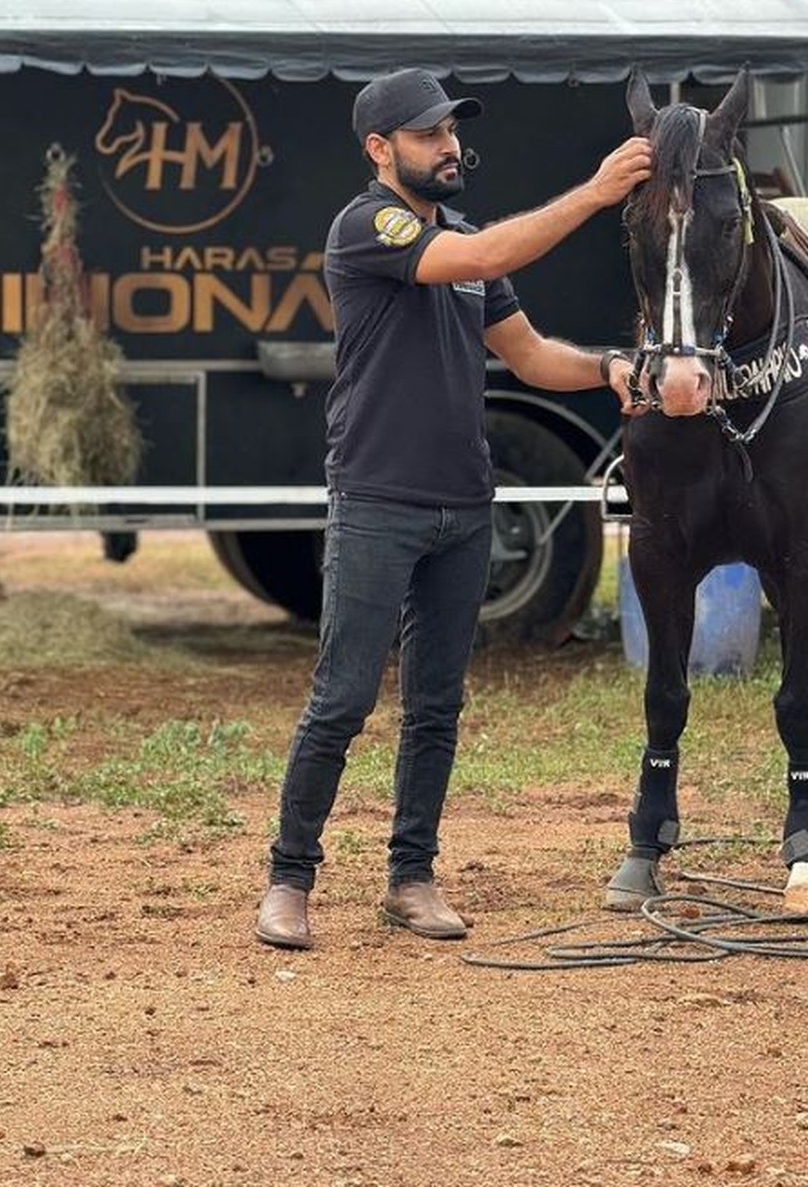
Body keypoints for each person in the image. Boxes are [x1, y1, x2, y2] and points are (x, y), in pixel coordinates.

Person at [256, 67, 650, 949]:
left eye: (451, 131)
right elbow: (477, 259)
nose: (448, 146)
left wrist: (611, 366)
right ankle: (289, 879)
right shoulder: (371, 225)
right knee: (343, 698)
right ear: (380, 149)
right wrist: (593, 192)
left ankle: (411, 877)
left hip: (464, 507)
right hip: (377, 500)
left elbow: (534, 356)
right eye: (428, 133)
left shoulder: (469, 241)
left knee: (436, 705)